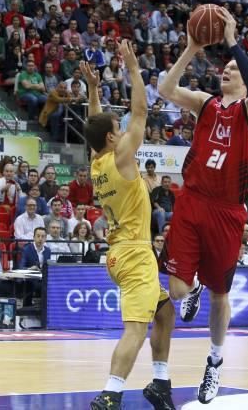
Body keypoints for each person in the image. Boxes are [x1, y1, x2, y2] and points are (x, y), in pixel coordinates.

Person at [158, 8, 248, 403]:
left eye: (235, 69)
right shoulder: (205, 103)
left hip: (226, 210)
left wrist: (234, 42)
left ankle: (215, 363)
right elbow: (165, 90)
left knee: (221, 295)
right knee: (176, 289)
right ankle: (193, 288)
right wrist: (190, 48)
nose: (228, 70)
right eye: (226, 67)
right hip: (192, 201)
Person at [82, 39, 176, 410]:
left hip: (123, 254)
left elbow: (96, 123)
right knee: (136, 328)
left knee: (165, 311)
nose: (123, 131)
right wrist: (134, 70)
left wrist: (93, 89)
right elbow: (139, 112)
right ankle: (110, 392)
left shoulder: (97, 160)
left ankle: (160, 382)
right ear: (112, 138)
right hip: (135, 255)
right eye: (116, 129)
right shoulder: (121, 157)